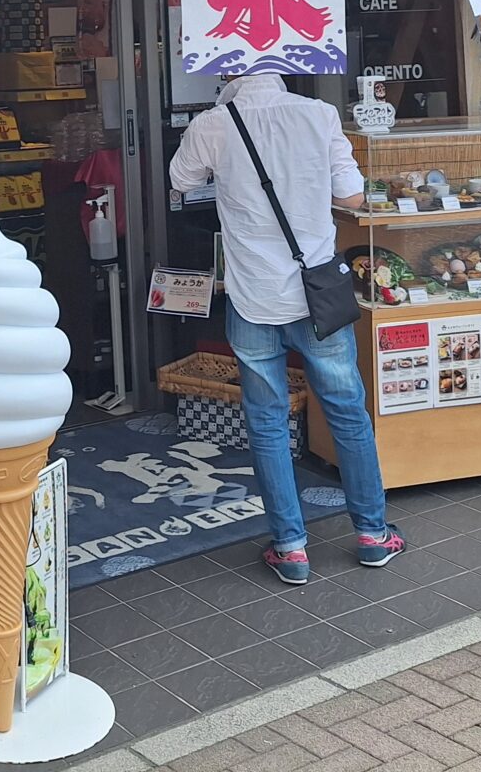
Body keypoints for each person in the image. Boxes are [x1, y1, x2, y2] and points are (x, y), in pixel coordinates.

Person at [168, 73, 402, 586]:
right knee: (348, 413)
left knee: (267, 423)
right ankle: (373, 534)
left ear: (228, 71)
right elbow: (353, 196)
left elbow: (180, 180)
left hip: (253, 299)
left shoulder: (213, 124)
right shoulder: (318, 115)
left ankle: (290, 547)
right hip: (317, 297)